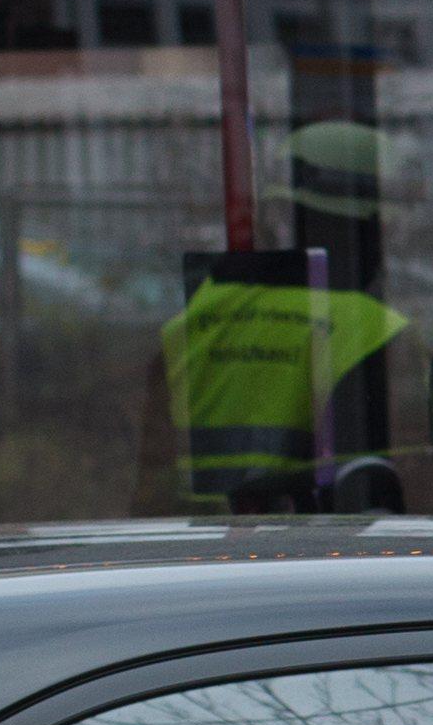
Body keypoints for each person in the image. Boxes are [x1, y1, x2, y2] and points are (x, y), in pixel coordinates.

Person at [160, 120, 408, 511]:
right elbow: (418, 488)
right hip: (322, 556)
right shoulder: (375, 329)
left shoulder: (194, 319)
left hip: (195, 552)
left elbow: (148, 481)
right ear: (374, 221)